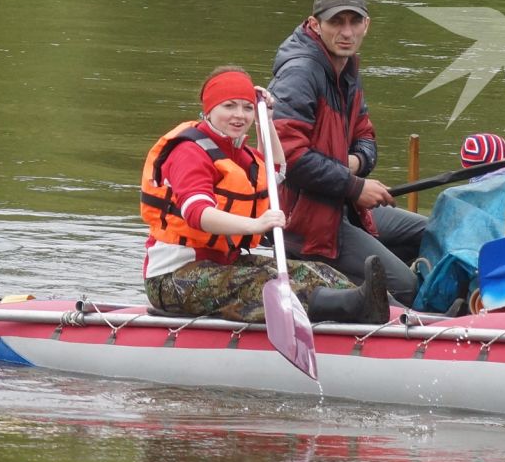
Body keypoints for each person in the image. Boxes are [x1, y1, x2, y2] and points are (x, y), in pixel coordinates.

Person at [140, 66, 389, 324]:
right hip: (173, 277)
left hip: (224, 263)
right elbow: (197, 213)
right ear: (209, 109)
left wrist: (266, 121)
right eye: (229, 106)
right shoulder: (189, 152)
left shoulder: (238, 152)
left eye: (247, 108)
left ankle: (374, 305)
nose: (239, 115)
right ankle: (351, 309)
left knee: (312, 271)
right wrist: (257, 224)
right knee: (264, 285)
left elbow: (277, 170)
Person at [270, 0, 429, 304]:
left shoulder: (347, 67)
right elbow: (288, 160)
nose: (346, 32)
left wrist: (352, 167)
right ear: (315, 24)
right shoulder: (300, 73)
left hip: (344, 205)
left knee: (431, 232)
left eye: (354, 22)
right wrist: (355, 186)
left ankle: (448, 300)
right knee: (405, 287)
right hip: (307, 223)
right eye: (336, 22)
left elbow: (367, 138)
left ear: (366, 25)